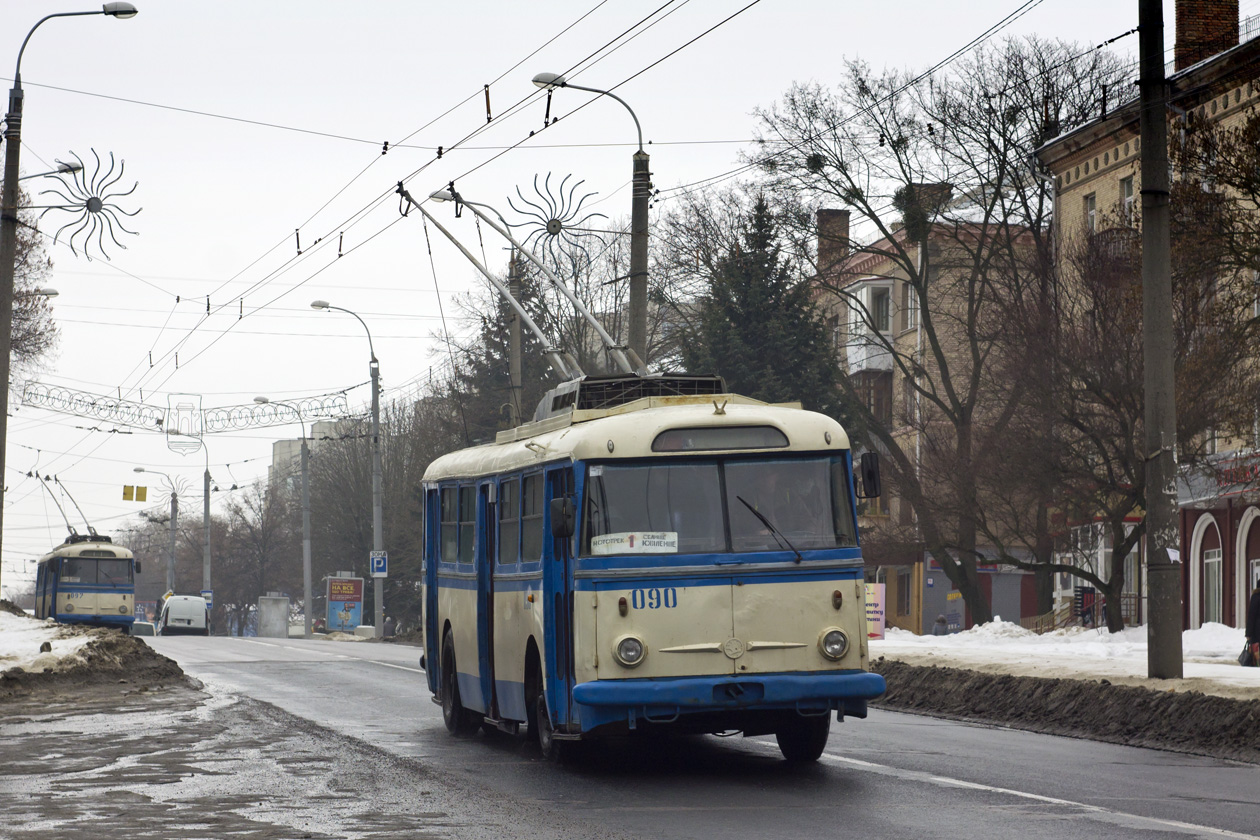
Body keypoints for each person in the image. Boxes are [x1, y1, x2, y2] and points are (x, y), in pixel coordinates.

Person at [1246, 585, 1260, 667]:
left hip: (1256, 631)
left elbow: (1251, 616)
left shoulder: (1255, 597)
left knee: (1256, 651)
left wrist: (1248, 633)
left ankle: (1257, 664)